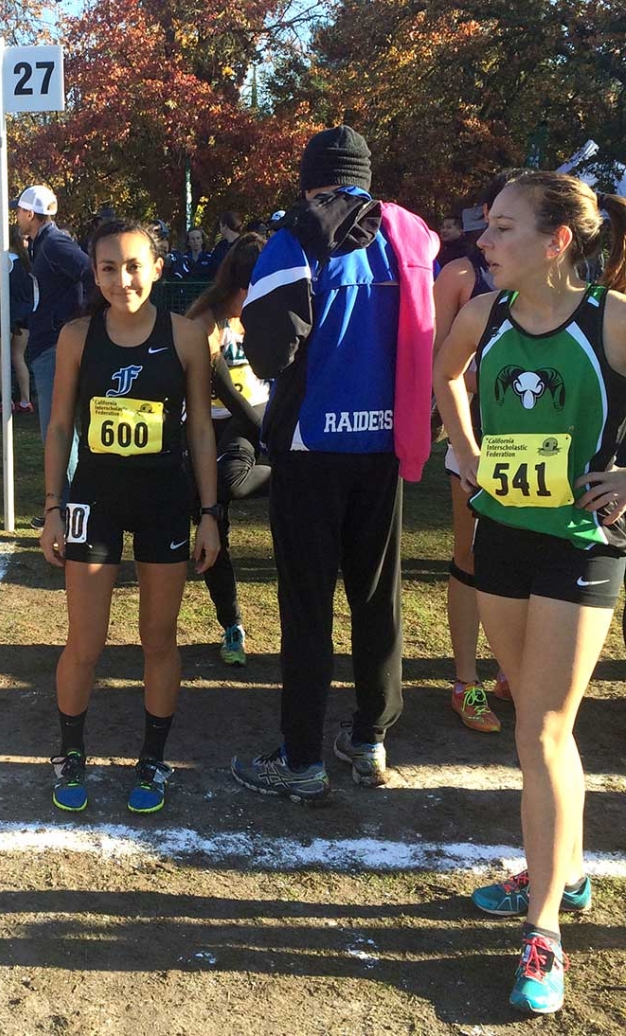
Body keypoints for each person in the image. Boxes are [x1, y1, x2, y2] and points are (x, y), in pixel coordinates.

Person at [434, 173, 626, 1015]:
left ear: (556, 242)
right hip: (506, 538)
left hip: (580, 547)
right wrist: (472, 462)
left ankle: (543, 927)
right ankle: (567, 872)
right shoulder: (484, 315)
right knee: (538, 719)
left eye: (503, 228)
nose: (484, 241)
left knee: (544, 728)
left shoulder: (613, 320)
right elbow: (445, 383)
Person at [232, 125, 438, 801]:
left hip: (310, 448)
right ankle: (372, 738)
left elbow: (269, 353)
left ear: (308, 180)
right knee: (378, 598)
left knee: (307, 604)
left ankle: (301, 756)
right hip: (384, 445)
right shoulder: (411, 237)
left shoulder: (294, 239)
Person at [40, 219, 220, 814]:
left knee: (158, 640)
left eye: (134, 265)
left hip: (164, 499)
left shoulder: (187, 336)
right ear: (94, 273)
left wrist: (211, 511)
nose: (123, 280)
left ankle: (153, 760)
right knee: (84, 642)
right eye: (109, 268)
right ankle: (68, 753)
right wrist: (51, 508)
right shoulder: (76, 336)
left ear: (158, 267)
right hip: (94, 497)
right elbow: (61, 425)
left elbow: (199, 427)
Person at [434, 169, 527, 732]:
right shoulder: (461, 276)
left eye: (507, 223)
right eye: (492, 220)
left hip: (545, 453)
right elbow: (438, 362)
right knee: (471, 557)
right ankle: (465, 682)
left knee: (527, 562)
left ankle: (511, 670)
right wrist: (463, 439)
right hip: (479, 442)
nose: (492, 235)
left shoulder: (573, 290)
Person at [185, 233, 270, 666]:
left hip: (246, 423)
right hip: (210, 425)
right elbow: (215, 383)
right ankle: (231, 623)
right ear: (240, 286)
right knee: (211, 520)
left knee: (231, 484)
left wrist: (263, 425)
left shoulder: (263, 314)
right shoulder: (204, 320)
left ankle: (285, 472)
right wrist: (266, 427)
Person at [13, 184, 91, 524]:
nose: (16, 216)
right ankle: (65, 506)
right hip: (51, 343)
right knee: (59, 430)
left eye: (19, 210)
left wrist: (78, 319)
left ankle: (67, 508)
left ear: (31, 213)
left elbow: (89, 271)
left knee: (57, 431)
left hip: (56, 346)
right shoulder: (47, 244)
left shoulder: (56, 243)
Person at [0, 222, 34, 416]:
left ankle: (7, 401)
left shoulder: (0, 261)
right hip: (25, 316)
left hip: (6, 315)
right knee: (18, 357)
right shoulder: (26, 261)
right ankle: (25, 400)